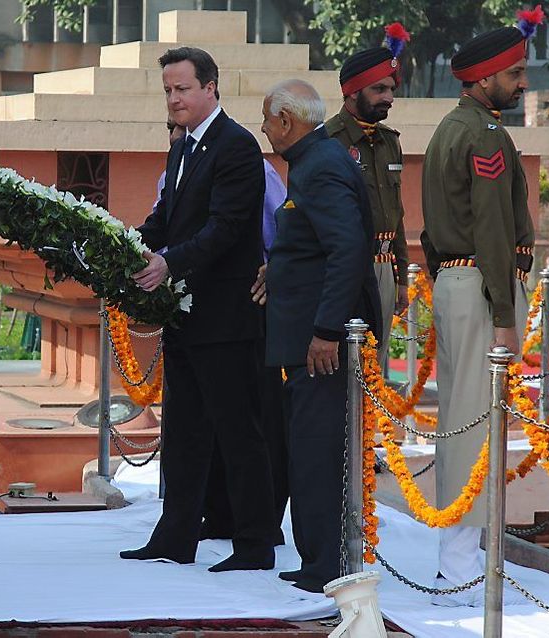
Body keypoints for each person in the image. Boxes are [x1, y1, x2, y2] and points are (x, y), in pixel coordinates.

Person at [121, 46, 279, 572]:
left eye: (182, 89)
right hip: (185, 316)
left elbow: (227, 229)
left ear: (211, 87)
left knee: (239, 434)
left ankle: (255, 545)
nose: (174, 98)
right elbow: (168, 216)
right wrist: (125, 246)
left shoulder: (237, 147)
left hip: (229, 317)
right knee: (184, 432)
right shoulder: (181, 146)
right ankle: (174, 537)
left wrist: (168, 265)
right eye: (167, 90)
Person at [420, 6, 543, 606]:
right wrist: (502, 313)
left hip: (458, 281)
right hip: (481, 286)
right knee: (472, 424)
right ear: (484, 78)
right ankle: (458, 567)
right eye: (515, 74)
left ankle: (458, 560)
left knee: (463, 420)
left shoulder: (452, 127)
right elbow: (493, 228)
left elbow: (430, 231)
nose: (522, 84)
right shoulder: (484, 134)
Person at [259, 79, 381, 593]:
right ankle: (314, 561)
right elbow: (311, 245)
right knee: (304, 449)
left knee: (315, 453)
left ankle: (323, 568)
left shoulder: (322, 164)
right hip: (303, 336)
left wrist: (327, 330)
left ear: (287, 121)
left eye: (267, 120)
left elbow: (347, 250)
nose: (263, 130)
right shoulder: (313, 162)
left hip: (320, 344)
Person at [326, 23, 411, 373]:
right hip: (347, 269)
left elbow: (398, 214)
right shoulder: (329, 142)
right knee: (346, 367)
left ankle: (366, 429)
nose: (389, 97)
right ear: (351, 92)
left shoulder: (389, 140)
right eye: (379, 89)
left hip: (385, 267)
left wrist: (402, 276)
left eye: (391, 88)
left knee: (375, 369)